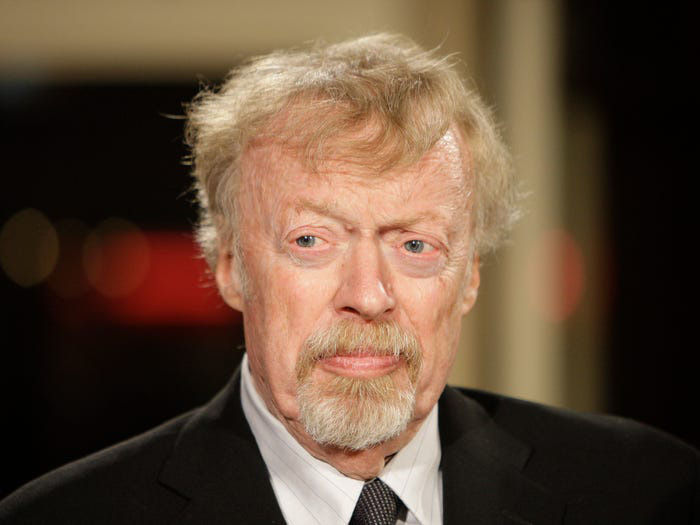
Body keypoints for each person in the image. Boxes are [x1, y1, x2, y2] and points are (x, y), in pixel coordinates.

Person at [1, 33, 698, 525]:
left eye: (415, 244)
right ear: (231, 267)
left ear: (468, 279)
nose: (367, 294)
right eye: (312, 241)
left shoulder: (650, 492)